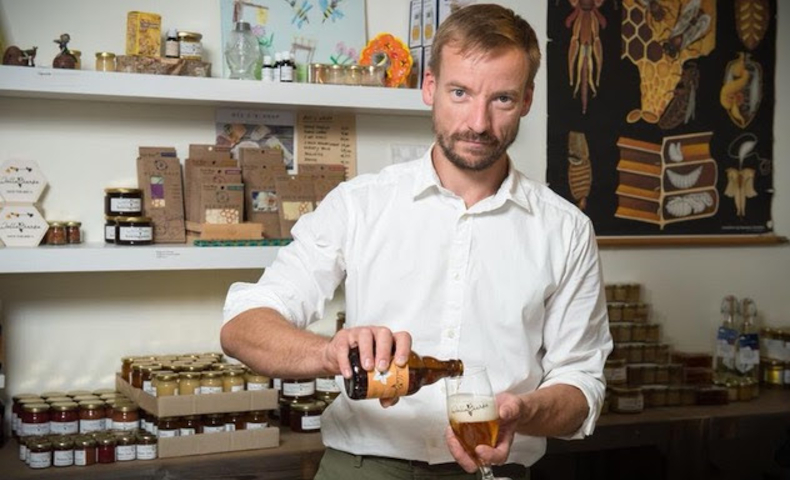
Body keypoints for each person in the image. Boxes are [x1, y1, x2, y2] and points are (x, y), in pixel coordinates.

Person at [221, 4, 612, 479]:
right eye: (460, 92)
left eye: (502, 99)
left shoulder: (565, 230)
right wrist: (328, 353)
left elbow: (581, 383)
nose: (479, 123)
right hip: (363, 467)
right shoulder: (360, 204)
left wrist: (522, 412)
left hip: (494, 468)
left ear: (527, 99)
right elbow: (242, 326)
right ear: (429, 88)